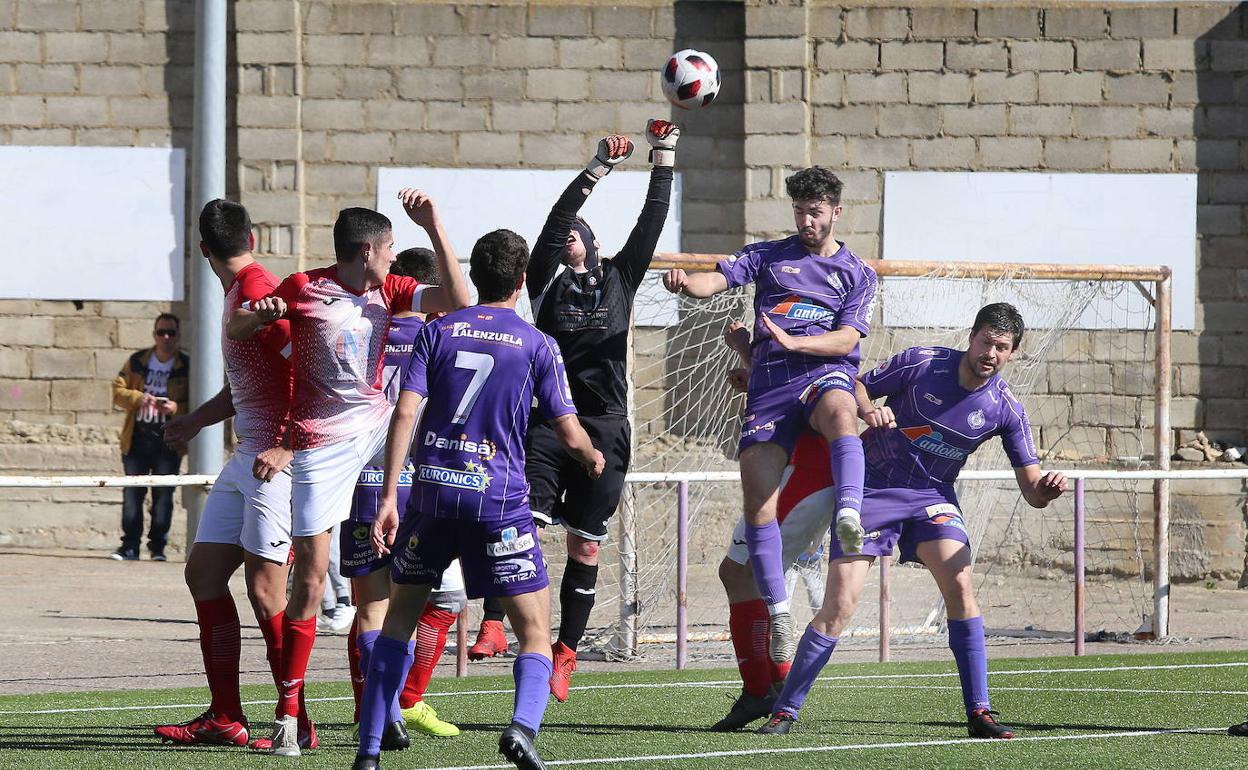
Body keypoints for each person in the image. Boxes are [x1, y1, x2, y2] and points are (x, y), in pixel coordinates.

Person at [227, 191, 470, 756]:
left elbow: (457, 298)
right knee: (310, 578)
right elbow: (239, 331)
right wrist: (255, 316)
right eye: (388, 251)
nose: (393, 261)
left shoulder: (393, 290)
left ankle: (387, 709)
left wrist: (435, 224)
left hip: (381, 437)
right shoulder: (302, 288)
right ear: (367, 251)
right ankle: (290, 713)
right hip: (322, 443)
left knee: (402, 581)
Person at [353, 228, 604, 770]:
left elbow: (405, 411)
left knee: (397, 622)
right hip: (499, 503)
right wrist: (591, 457)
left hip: (432, 497)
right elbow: (566, 429)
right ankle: (521, 728)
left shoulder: (438, 330)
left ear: (477, 273)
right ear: (520, 281)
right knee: (534, 632)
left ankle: (370, 750)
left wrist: (391, 495)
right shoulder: (537, 344)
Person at [758, 303, 1067, 739]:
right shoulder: (921, 363)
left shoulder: (1006, 410)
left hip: (931, 498)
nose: (991, 353)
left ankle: (980, 712)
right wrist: (868, 410)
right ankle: (785, 710)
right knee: (840, 605)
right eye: (986, 342)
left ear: (1013, 353)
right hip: (873, 490)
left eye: (1002, 347)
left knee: (960, 586)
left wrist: (1046, 492)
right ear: (972, 337)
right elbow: (855, 387)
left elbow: (1032, 491)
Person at [470, 120, 680, 701]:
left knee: (585, 545)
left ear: (594, 243)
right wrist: (596, 168)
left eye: (577, 234)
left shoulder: (620, 277)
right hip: (547, 423)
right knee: (519, 522)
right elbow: (553, 224)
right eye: (565, 236)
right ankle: (493, 619)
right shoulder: (542, 284)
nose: (569, 238)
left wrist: (663, 155)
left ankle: (567, 652)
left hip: (606, 427)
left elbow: (651, 221)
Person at [662, 166, 878, 663]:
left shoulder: (857, 274)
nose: (807, 220)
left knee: (842, 412)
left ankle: (850, 512)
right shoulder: (767, 256)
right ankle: (779, 614)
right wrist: (684, 284)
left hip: (822, 373)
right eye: (800, 211)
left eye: (816, 212)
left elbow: (847, 339)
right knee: (758, 503)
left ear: (836, 213)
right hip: (770, 387)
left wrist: (793, 341)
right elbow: (715, 278)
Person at [153, 200, 295, 747]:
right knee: (204, 574)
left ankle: (294, 719)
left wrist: (287, 443)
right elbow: (249, 384)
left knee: (266, 594)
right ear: (252, 237)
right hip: (246, 459)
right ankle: (226, 716)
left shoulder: (260, 290)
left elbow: (311, 366)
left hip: (273, 463)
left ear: (202, 249)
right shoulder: (240, 292)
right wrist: (194, 421)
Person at [341, 246, 464, 741]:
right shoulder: (438, 338)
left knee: (370, 606)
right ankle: (391, 705)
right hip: (421, 484)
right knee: (412, 607)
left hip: (360, 479)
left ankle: (386, 710)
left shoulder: (360, 329)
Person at [712, 322, 841, 731]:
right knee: (737, 573)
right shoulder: (795, 344)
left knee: (753, 573)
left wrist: (747, 355)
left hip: (805, 475)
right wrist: (749, 363)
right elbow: (784, 390)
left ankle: (774, 691)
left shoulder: (820, 343)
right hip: (791, 471)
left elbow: (799, 393)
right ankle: (765, 690)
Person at [110, 312, 190, 561]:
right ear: (154, 334)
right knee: (133, 495)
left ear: (178, 336)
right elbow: (117, 391)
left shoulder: (186, 366)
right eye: (161, 332)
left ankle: (158, 548)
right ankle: (130, 546)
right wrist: (138, 398)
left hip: (168, 441)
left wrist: (176, 408)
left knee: (164, 497)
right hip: (137, 439)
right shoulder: (137, 361)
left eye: (171, 333)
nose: (166, 338)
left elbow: (198, 402)